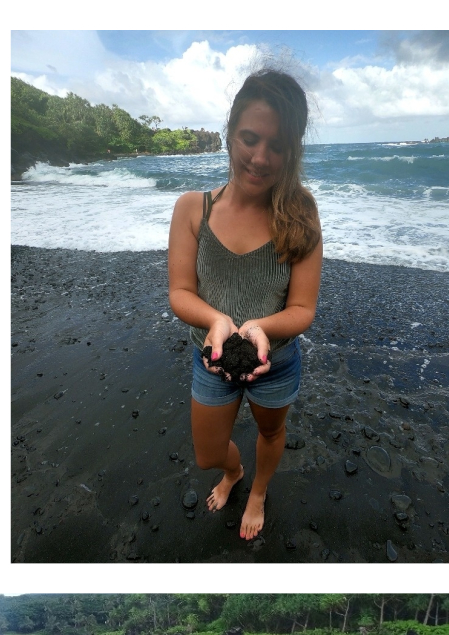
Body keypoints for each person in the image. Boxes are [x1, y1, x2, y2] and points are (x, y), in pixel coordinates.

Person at [168, 69, 323, 541]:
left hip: (275, 360)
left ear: (292, 149)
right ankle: (233, 472)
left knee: (271, 433)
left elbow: (302, 309)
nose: (260, 157)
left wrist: (258, 328)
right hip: (210, 358)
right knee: (208, 454)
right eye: (249, 139)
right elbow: (180, 293)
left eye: (276, 146)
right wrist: (217, 320)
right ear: (229, 134)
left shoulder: (301, 214)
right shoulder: (194, 208)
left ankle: (257, 491)